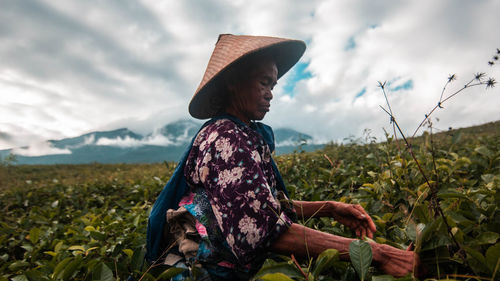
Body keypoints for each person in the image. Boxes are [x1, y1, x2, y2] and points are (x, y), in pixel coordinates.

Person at [147, 34, 419, 280]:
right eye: (263, 82)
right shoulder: (226, 138)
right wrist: (380, 254)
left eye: (273, 84)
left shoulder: (241, 133)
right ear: (233, 82)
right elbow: (261, 230)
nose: (270, 93)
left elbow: (263, 205)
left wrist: (330, 207)